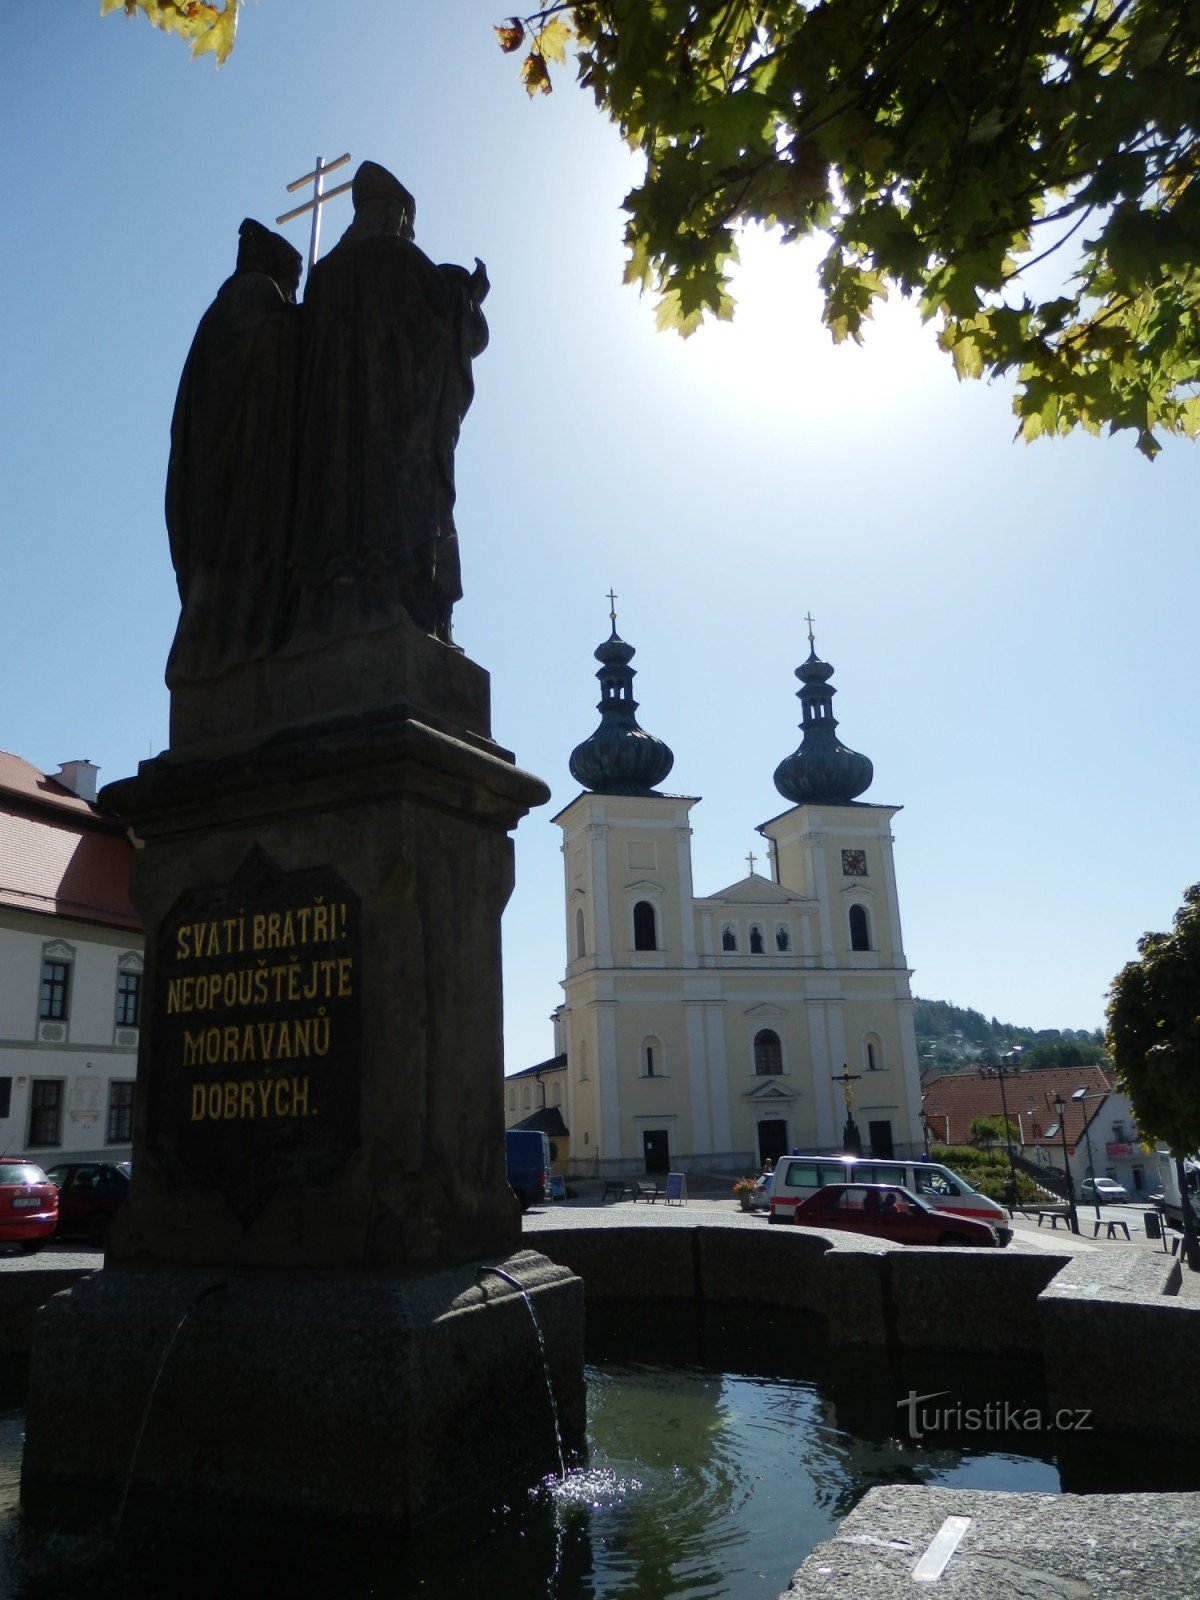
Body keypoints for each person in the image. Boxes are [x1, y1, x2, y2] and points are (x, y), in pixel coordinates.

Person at [287, 161, 489, 648]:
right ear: (396, 214)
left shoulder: (323, 277)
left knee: (339, 522)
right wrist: (470, 297)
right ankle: (398, 603)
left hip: (330, 446)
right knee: (396, 521)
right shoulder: (402, 261)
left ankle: (335, 602)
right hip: (394, 440)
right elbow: (451, 326)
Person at [165, 220, 302, 686]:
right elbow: (266, 352)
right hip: (240, 462)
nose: (292, 292)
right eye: (293, 282)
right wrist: (301, 324)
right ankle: (234, 650)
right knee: (239, 561)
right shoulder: (256, 294)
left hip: (214, 466)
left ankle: (211, 654)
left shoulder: (221, 307)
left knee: (216, 567)